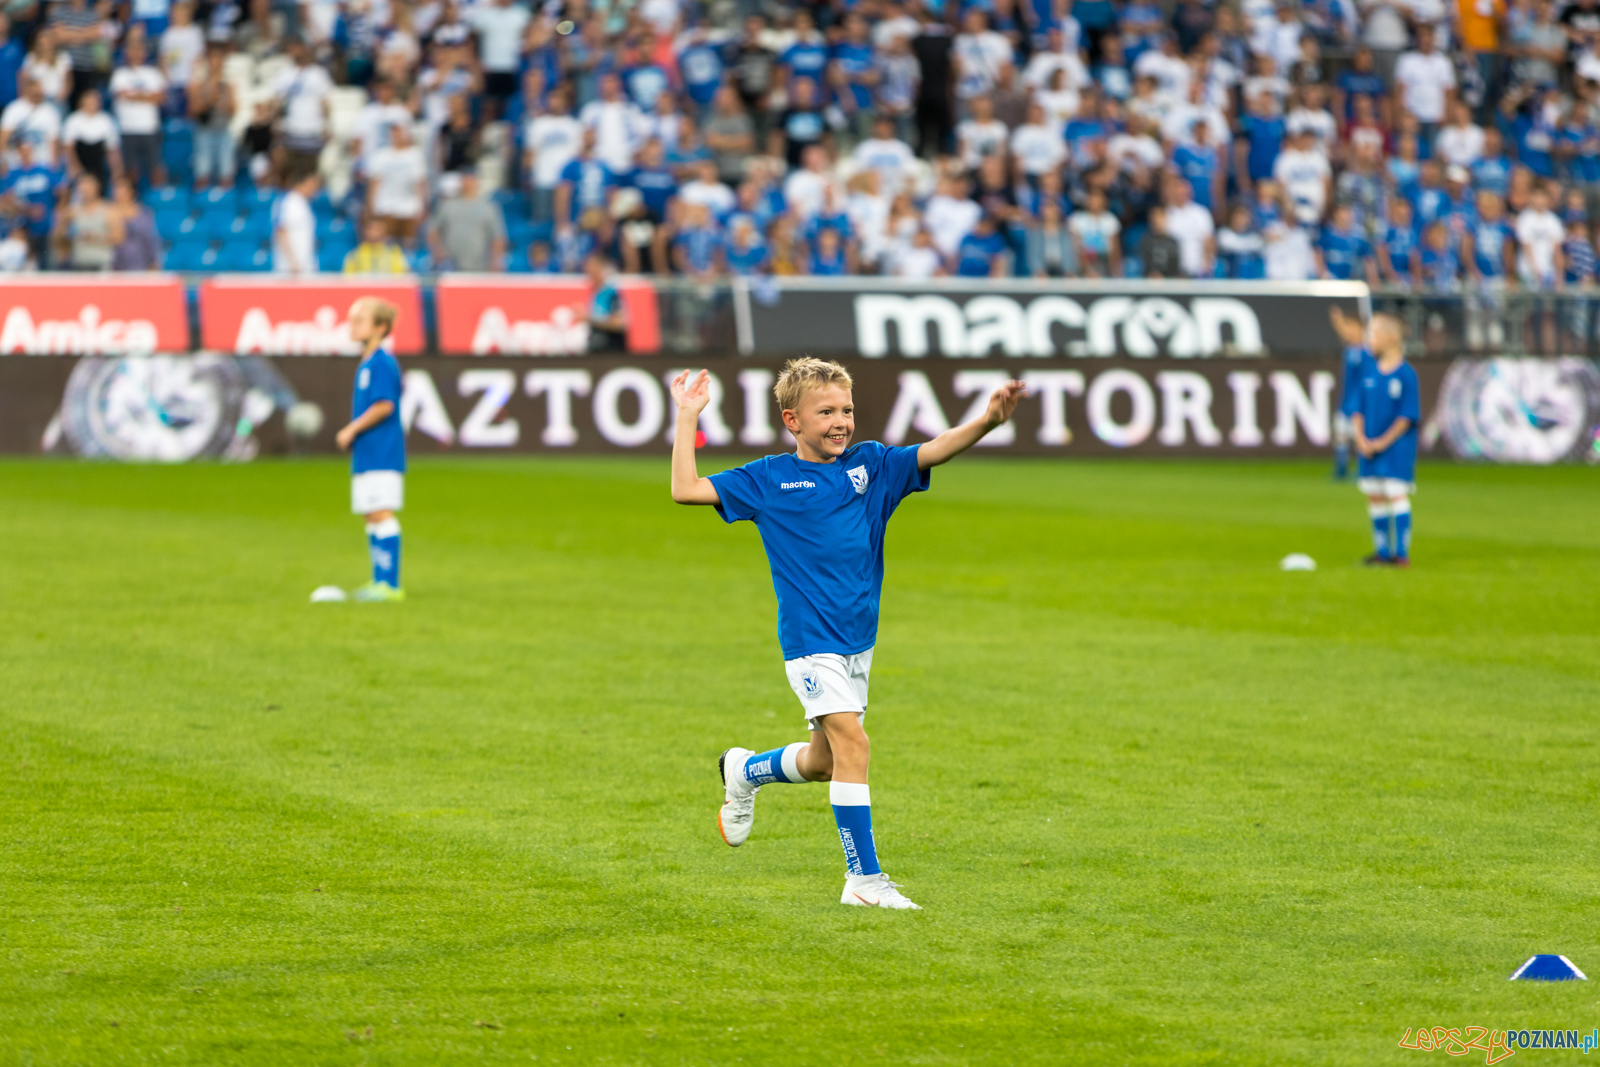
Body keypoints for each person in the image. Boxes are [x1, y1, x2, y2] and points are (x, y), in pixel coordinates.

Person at [667, 358, 1027, 910]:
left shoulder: (873, 466)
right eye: (826, 411)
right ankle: (863, 881)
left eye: (847, 410)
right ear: (792, 420)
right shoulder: (768, 479)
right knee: (855, 744)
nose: (841, 421)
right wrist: (688, 416)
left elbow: (933, 450)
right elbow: (686, 490)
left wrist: (986, 421)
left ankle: (743, 770)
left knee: (825, 762)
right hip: (811, 645)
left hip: (859, 643)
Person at [1330, 308, 1419, 567]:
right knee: (1374, 494)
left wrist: (1381, 442)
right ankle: (1382, 553)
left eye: (1373, 333)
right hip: (1367, 446)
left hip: (1395, 449)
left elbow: (1407, 416)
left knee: (1396, 493)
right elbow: (1357, 409)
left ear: (1390, 337)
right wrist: (1360, 438)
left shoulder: (1406, 374)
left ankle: (1401, 554)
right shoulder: (1369, 372)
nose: (1369, 339)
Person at [334, 297, 406, 602]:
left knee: (380, 511)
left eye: (360, 320)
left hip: (382, 451)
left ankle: (390, 585)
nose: (352, 325)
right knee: (370, 514)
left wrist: (351, 428)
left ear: (380, 327)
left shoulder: (382, 363)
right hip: (366, 453)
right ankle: (378, 580)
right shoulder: (367, 362)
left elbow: (385, 405)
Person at [273, 170, 319, 275]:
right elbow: (281, 231)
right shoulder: (288, 201)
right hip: (290, 269)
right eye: (313, 184)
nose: (315, 189)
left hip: (306, 267)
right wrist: (292, 262)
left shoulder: (304, 203)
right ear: (304, 182)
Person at [582, 252, 627, 352]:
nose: (587, 270)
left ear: (600, 268)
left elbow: (620, 323)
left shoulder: (613, 292)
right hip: (596, 351)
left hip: (611, 351)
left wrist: (589, 318)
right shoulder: (595, 293)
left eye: (591, 267)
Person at [343, 215, 410, 273]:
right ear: (365, 230)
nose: (375, 232)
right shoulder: (354, 255)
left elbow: (402, 278)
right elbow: (348, 282)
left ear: (384, 230)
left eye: (378, 229)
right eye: (372, 228)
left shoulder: (394, 253)